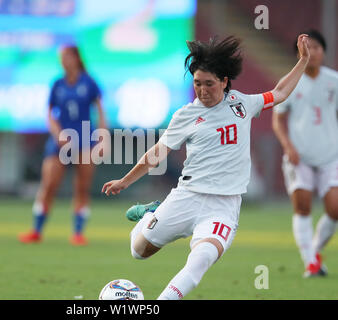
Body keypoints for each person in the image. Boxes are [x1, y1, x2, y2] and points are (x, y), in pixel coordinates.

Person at [102, 34, 310, 299]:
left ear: (224, 82)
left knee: (200, 261)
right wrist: (125, 181)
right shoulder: (186, 115)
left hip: (223, 206)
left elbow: (279, 92)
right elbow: (157, 153)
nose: (202, 90)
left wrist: (303, 61)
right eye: (197, 83)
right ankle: (150, 213)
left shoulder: (243, 104)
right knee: (138, 250)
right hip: (186, 197)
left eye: (209, 84)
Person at [19, 45, 107, 246]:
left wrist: (102, 138)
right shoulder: (57, 84)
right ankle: (37, 230)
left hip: (85, 138)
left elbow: (100, 111)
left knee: (82, 187)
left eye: (67, 57)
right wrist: (58, 134)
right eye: (61, 57)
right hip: (61, 142)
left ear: (76, 58)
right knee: (49, 184)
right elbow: (49, 113)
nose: (63, 61)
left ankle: (78, 232)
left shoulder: (89, 82)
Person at [272, 29, 338, 277]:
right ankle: (311, 262)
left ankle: (314, 251)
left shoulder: (334, 81)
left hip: (331, 155)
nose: (313, 52)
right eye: (307, 48)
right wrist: (288, 146)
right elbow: (278, 121)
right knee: (302, 206)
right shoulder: (290, 82)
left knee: (335, 209)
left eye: (317, 47)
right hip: (299, 156)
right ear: (298, 54)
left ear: (324, 51)